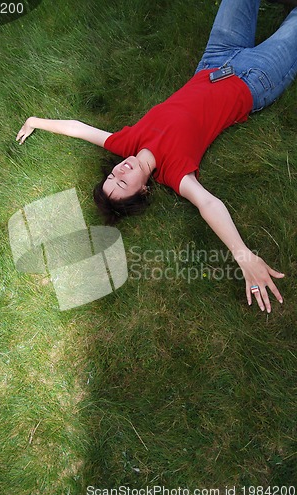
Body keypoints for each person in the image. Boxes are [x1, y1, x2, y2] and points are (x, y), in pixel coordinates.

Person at [16, 0, 297, 314]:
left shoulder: (126, 144)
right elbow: (208, 204)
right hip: (254, 80)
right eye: (123, 183)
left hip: (215, 60)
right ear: (143, 190)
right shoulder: (174, 172)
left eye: (112, 175)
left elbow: (79, 129)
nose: (120, 170)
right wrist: (245, 256)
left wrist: (36, 121)